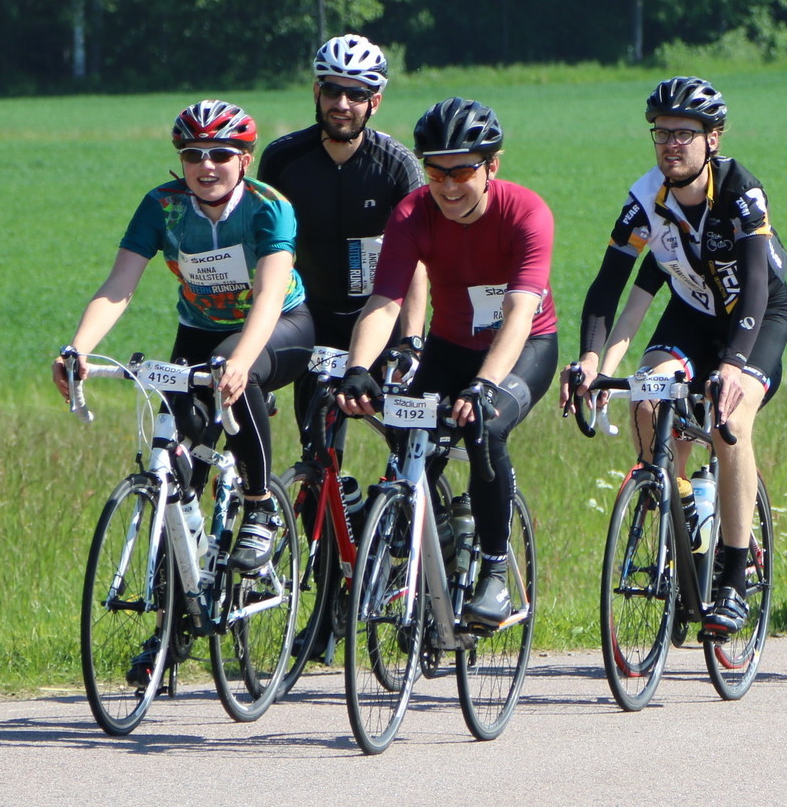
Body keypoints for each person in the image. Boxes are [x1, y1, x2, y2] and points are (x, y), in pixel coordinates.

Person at [53, 100, 315, 674]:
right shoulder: (163, 206)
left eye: (221, 153)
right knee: (178, 476)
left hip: (279, 327)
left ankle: (259, 506)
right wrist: (78, 348)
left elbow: (270, 294)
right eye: (194, 154)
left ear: (245, 159)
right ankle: (172, 631)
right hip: (198, 332)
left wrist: (242, 360)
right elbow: (120, 285)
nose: (206, 165)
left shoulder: (269, 207)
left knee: (231, 372)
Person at [563, 76, 787, 640]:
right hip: (692, 317)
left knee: (729, 423)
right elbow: (608, 286)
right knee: (646, 396)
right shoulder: (644, 200)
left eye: (683, 134)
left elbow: (756, 288)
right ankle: (683, 500)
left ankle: (733, 580)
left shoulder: (741, 191)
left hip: (755, 319)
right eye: (662, 133)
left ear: (712, 139)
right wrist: (590, 359)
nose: (670, 144)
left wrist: (733, 366)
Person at [335, 98, 559, 629]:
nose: (449, 186)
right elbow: (385, 301)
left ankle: (494, 572)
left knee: (485, 428)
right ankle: (435, 546)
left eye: (462, 172)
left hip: (523, 347)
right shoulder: (412, 213)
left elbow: (519, 313)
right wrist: (358, 368)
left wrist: (484, 385)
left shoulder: (527, 213)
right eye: (436, 172)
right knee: (407, 437)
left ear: (492, 166)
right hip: (451, 344)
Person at [257, 34, 427, 432]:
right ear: (317, 92)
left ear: (374, 102)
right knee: (316, 442)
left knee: (407, 444)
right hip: (309, 317)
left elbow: (418, 260)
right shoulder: (282, 159)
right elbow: (262, 250)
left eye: (357, 94)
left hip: (380, 315)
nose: (343, 104)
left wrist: (412, 341)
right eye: (333, 91)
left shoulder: (398, 165)